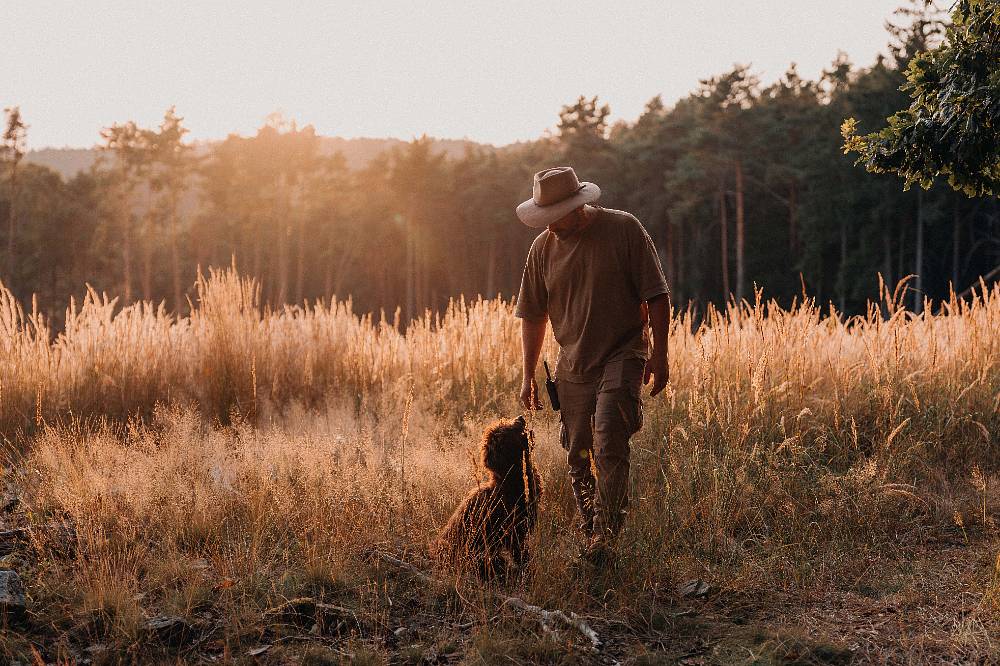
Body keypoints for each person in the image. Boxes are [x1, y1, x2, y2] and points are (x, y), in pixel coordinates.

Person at [514, 166, 670, 565]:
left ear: (578, 205)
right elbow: (533, 315)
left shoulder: (624, 230)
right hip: (572, 365)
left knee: (609, 444)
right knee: (577, 455)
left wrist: (661, 354)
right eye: (543, 217)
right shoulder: (542, 250)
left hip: (624, 352)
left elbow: (657, 296)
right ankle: (591, 535)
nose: (549, 225)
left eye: (556, 215)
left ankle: (606, 543)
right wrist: (528, 374)